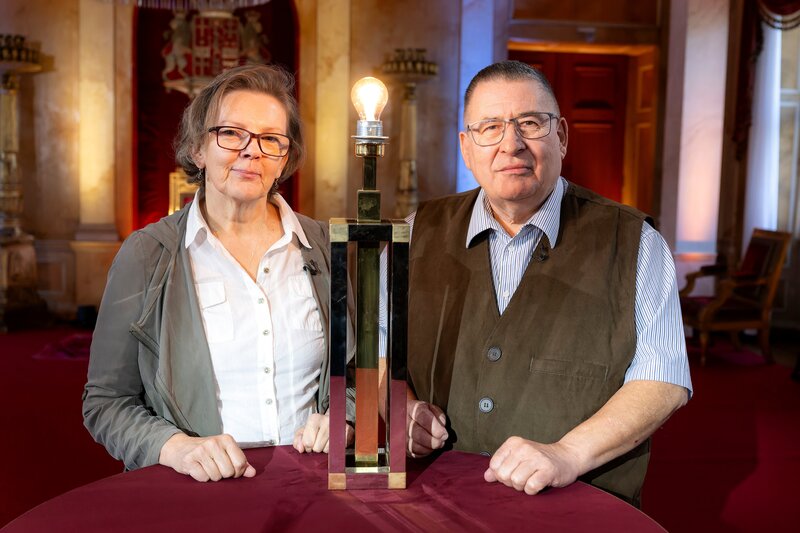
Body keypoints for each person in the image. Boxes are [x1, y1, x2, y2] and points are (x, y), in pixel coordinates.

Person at [403, 61, 692, 506]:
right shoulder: (414, 233)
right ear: (466, 147)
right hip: (436, 504)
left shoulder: (636, 241)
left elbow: (663, 381)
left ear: (561, 136)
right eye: (490, 127)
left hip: (577, 507)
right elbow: (376, 353)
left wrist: (567, 453)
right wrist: (401, 408)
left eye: (530, 123)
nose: (511, 144)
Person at [83, 64, 354, 483]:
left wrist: (345, 416)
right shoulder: (146, 254)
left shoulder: (325, 245)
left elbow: (359, 374)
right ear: (197, 149)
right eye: (231, 133)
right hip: (198, 492)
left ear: (284, 159)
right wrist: (176, 447)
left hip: (312, 484)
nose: (251, 151)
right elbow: (106, 401)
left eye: (270, 139)